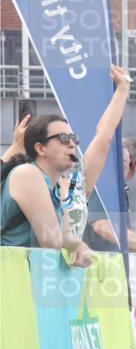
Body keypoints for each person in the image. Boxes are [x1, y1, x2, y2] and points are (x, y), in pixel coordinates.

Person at [1, 113, 93, 266]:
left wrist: (80, 246)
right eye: (63, 138)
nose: (72, 144)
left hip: (17, 274)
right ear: (40, 148)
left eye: (74, 138)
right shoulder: (27, 174)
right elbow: (50, 240)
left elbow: (65, 236)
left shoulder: (57, 186)